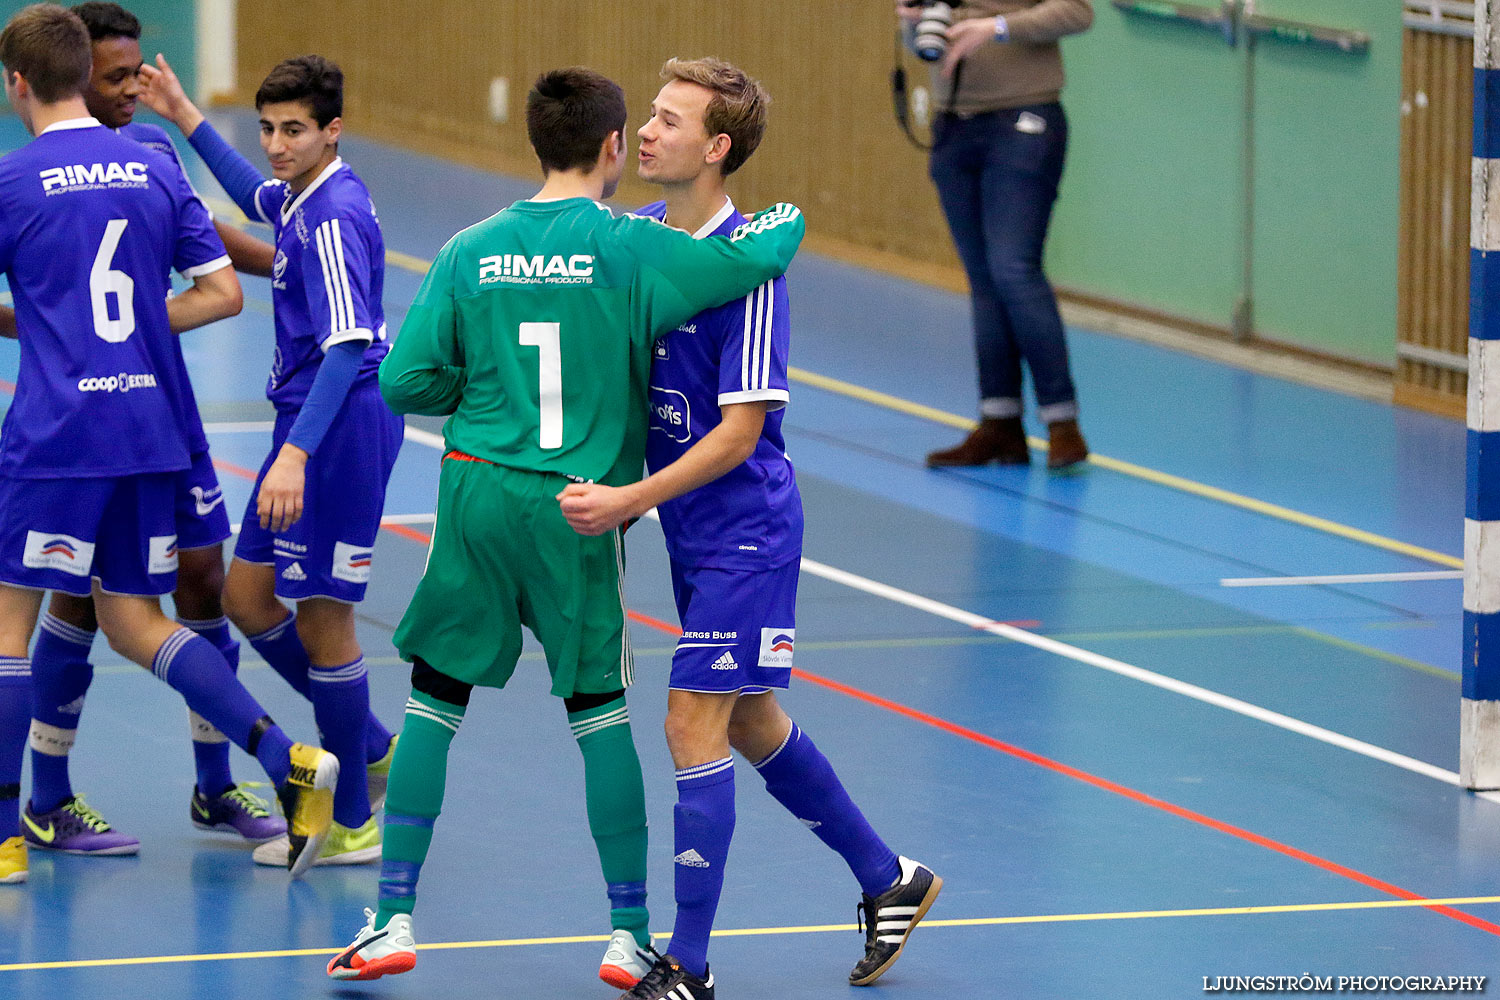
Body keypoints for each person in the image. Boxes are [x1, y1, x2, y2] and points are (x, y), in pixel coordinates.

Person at [323, 67, 804, 987]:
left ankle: (390, 918)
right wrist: (789, 221)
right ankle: (627, 933)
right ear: (614, 146)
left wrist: (487, 391)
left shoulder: (470, 249)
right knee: (600, 712)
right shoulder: (629, 248)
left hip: (475, 491)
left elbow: (402, 383)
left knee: (434, 701)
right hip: (577, 505)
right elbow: (747, 260)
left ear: (536, 143)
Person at [556, 58, 942, 1000]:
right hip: (691, 534)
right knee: (755, 719)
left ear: (716, 147)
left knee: (694, 723)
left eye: (671, 120)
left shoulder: (750, 269)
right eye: (648, 116)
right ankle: (890, 881)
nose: (646, 132)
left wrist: (629, 499)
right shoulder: (640, 238)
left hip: (746, 533)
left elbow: (738, 434)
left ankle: (687, 965)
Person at [0, 3, 337, 885]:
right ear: (84, 74)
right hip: (144, 421)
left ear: (20, 83)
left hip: (70, 429)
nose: (129, 89)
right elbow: (222, 286)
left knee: (38, 616)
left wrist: (51, 336)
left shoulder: (30, 175)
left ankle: (12, 831)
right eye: (116, 78)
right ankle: (278, 760)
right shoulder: (144, 165)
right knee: (125, 615)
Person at [139, 52, 402, 868]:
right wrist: (185, 114)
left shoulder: (331, 219)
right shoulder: (301, 194)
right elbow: (256, 193)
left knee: (325, 619)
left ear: (334, 131)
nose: (278, 146)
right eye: (268, 129)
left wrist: (292, 456)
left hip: (336, 431)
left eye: (295, 131)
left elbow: (348, 344)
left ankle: (353, 819)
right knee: (249, 598)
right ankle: (373, 745)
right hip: (308, 426)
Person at [901, 0, 1093, 470]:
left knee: (1014, 268)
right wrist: (910, 22)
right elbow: (922, 46)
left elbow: (1078, 12)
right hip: (955, 125)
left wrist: (997, 27)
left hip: (1023, 120)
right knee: (984, 279)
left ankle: (1062, 422)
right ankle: (1000, 422)